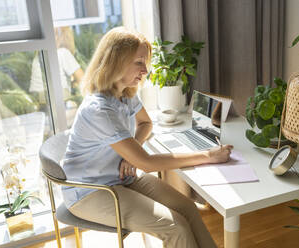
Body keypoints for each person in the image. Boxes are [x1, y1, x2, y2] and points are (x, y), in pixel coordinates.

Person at [61, 27, 233, 248]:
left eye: (145, 63)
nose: (145, 70)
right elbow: (148, 164)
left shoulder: (124, 94)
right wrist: (208, 155)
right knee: (175, 228)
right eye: (139, 62)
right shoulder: (99, 110)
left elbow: (145, 123)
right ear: (117, 61)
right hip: (91, 191)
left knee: (188, 209)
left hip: (120, 177)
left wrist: (132, 153)